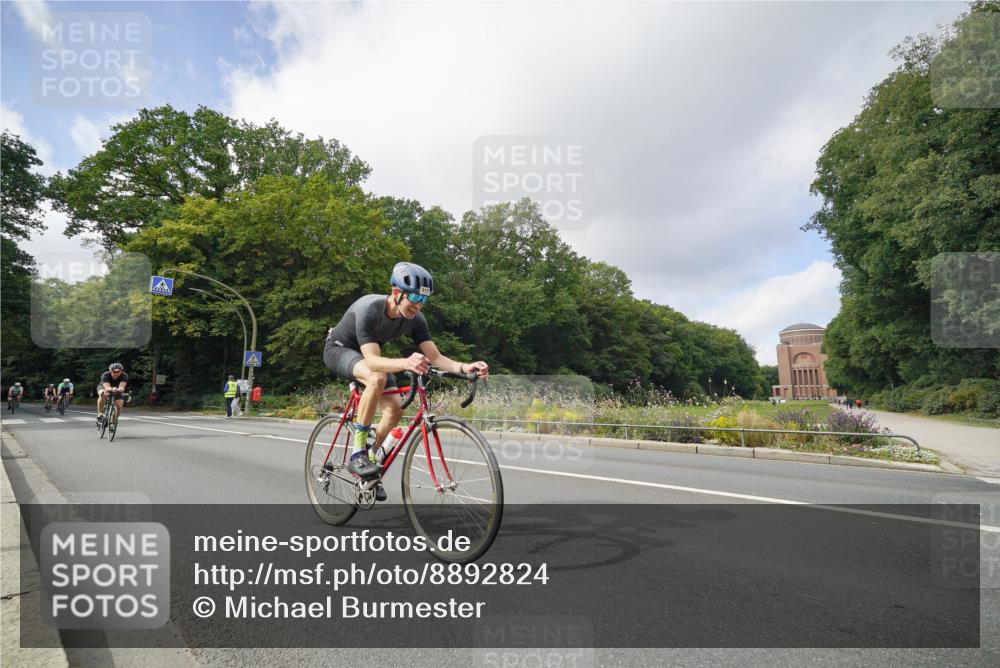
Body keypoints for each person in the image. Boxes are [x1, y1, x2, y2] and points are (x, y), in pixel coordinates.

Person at [324, 262, 489, 500]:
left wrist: (465, 367)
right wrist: (406, 362)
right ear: (395, 293)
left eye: (424, 300)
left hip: (370, 355)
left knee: (394, 410)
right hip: (339, 349)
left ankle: (370, 459)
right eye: (413, 297)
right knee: (377, 377)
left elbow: (436, 357)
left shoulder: (416, 319)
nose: (418, 305)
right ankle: (357, 453)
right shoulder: (369, 309)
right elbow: (371, 360)